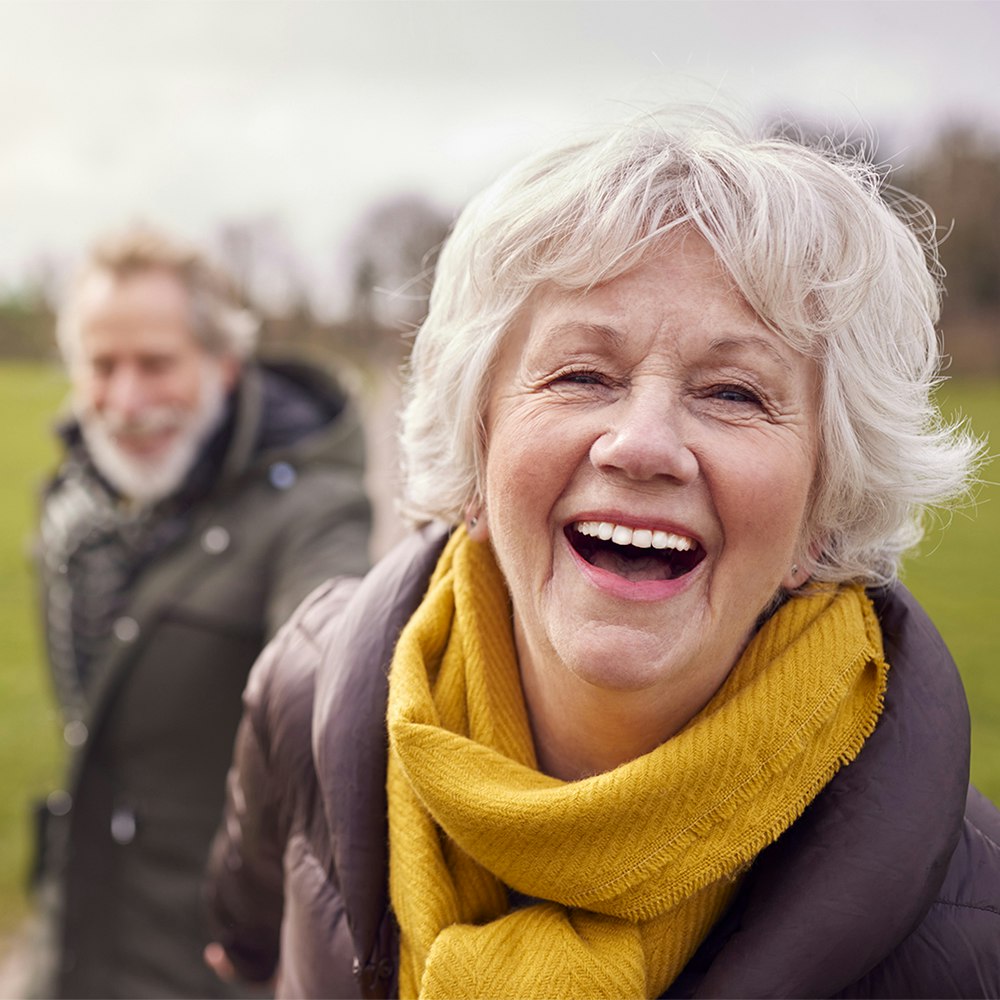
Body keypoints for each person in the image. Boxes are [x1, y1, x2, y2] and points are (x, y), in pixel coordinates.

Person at [205, 109, 1000, 998]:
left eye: (734, 392)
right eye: (583, 375)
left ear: (827, 507)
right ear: (477, 447)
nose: (642, 444)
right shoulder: (305, 688)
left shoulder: (974, 939)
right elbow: (245, 939)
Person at [28, 224, 372, 999]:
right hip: (75, 949)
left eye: (155, 364)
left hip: (211, 969)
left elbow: (332, 659)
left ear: (222, 365)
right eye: (101, 366)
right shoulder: (74, 510)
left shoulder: (314, 512)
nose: (124, 400)